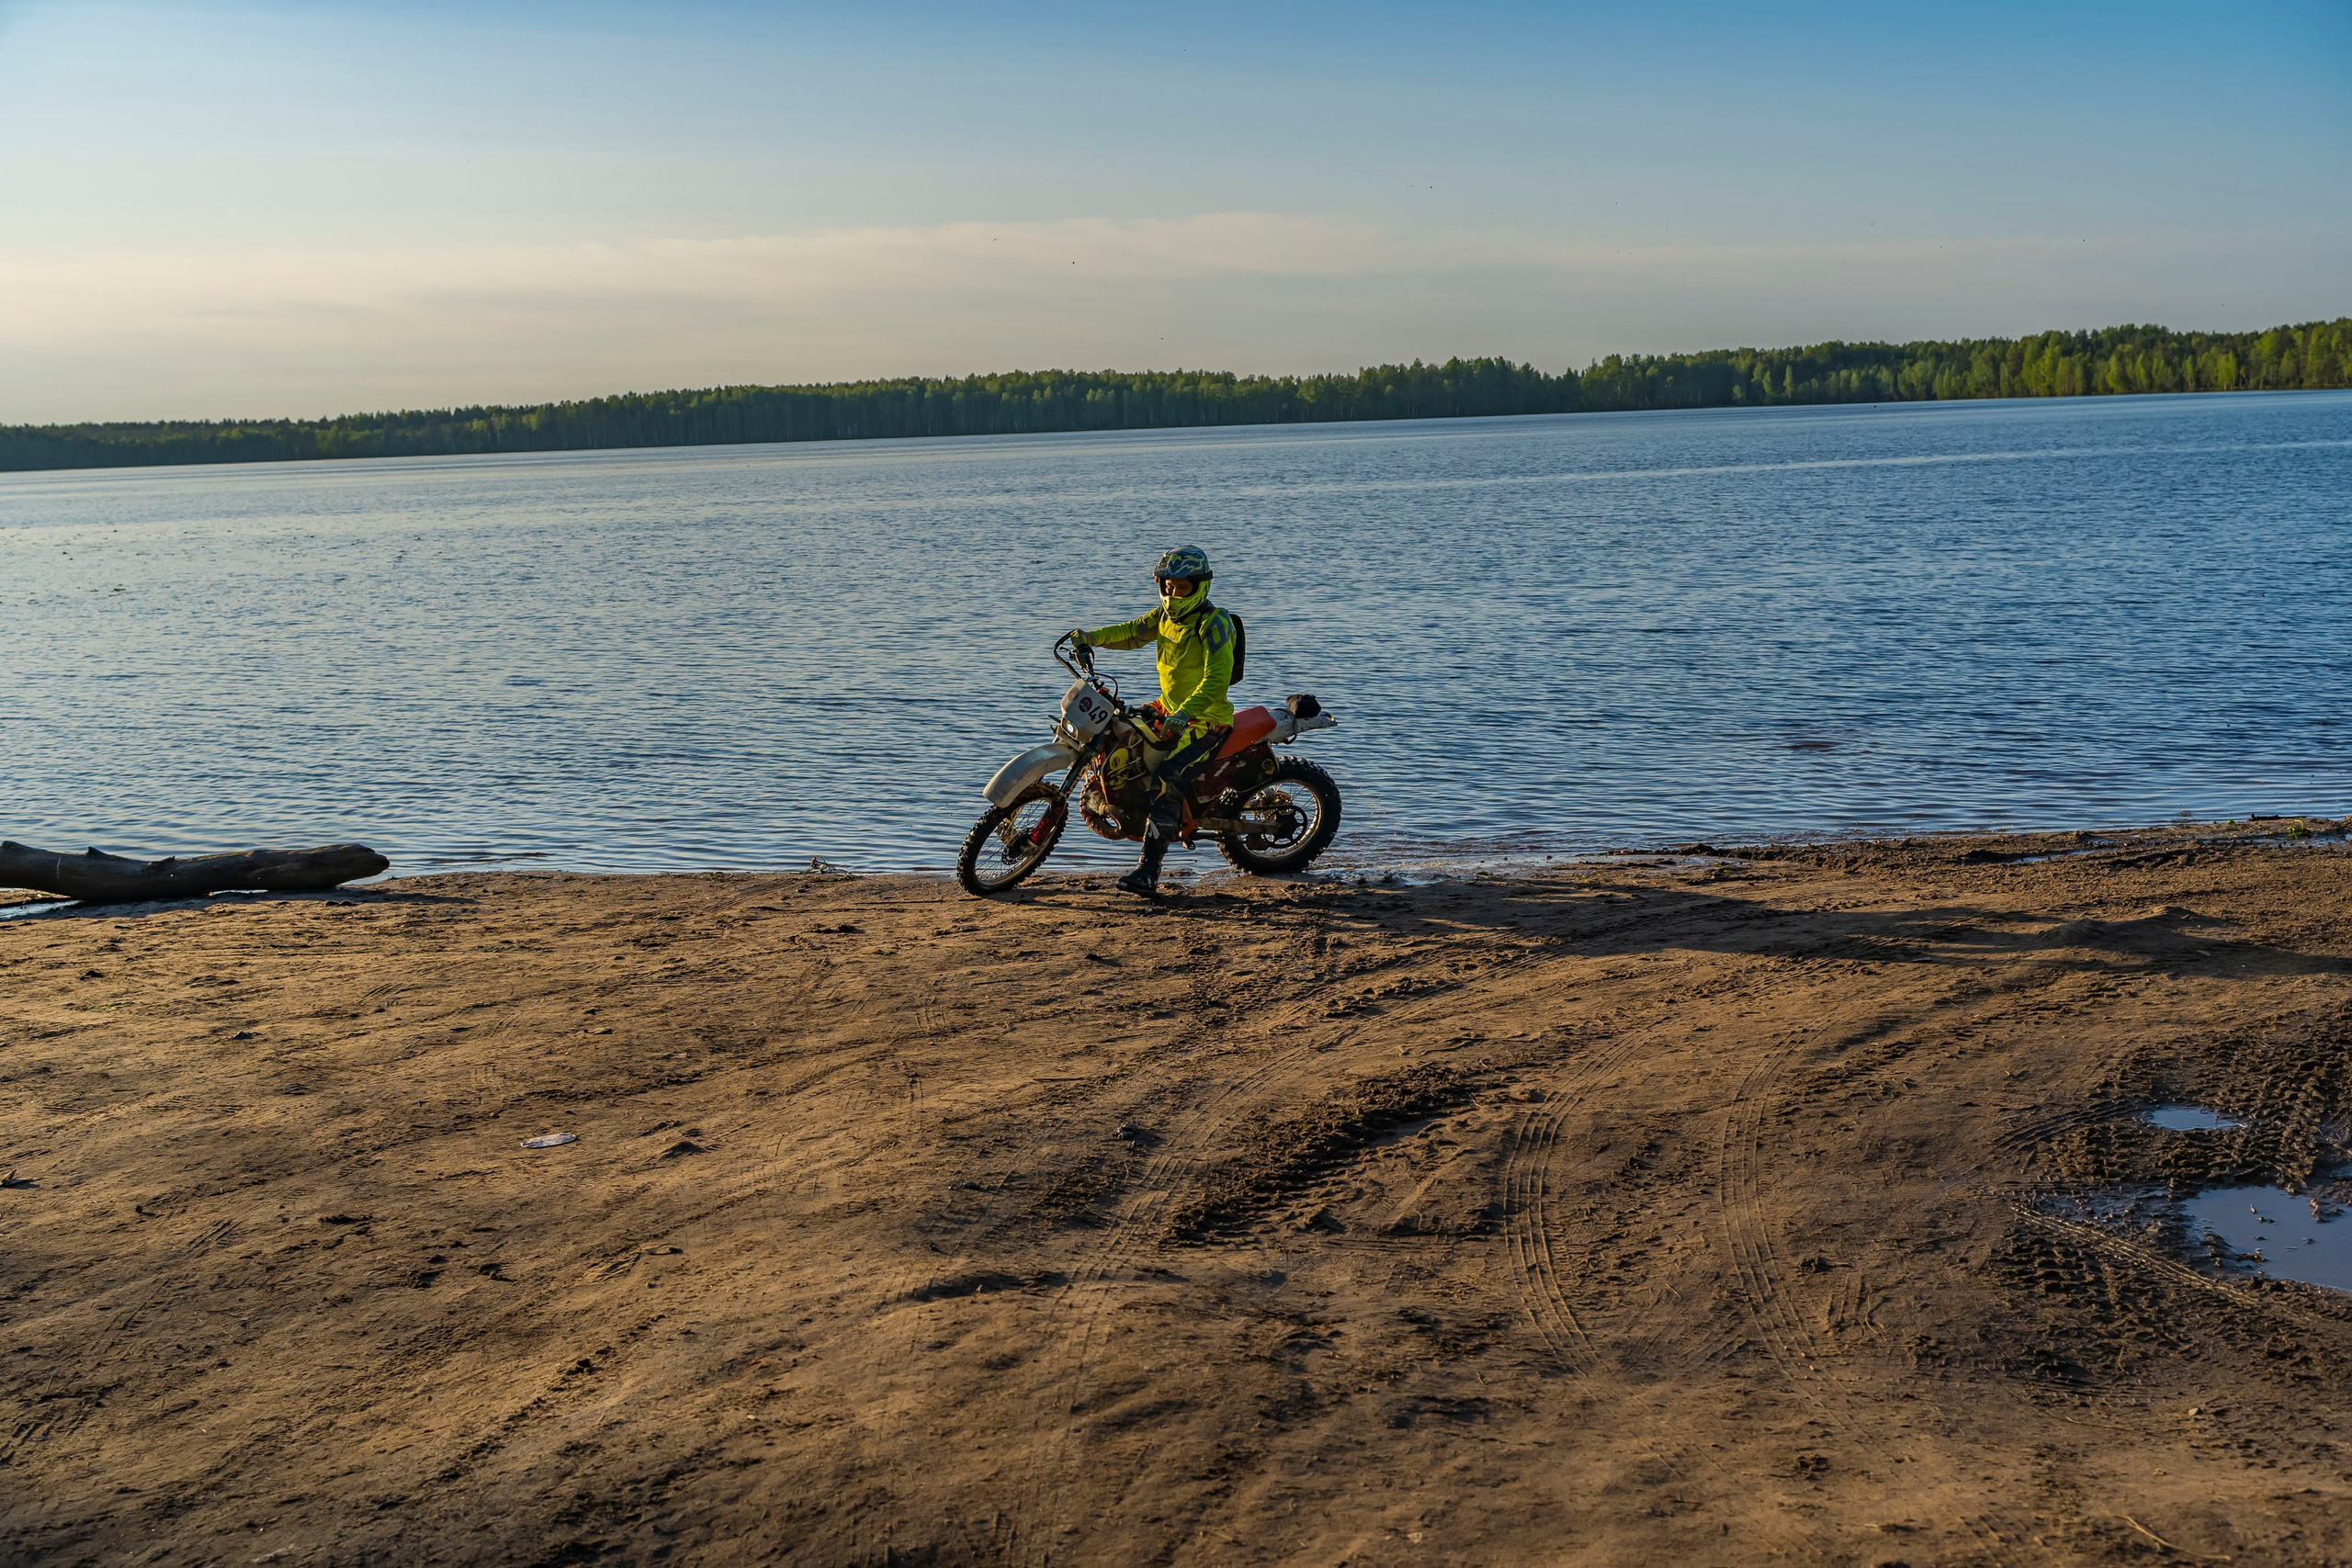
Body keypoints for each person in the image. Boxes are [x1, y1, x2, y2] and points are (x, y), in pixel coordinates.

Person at [1070, 546, 1238, 897]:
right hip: (1169, 708)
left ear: (1200, 585)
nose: (1173, 593)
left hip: (1205, 720)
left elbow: (1216, 680)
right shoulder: (1165, 618)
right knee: (1117, 734)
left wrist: (1185, 713)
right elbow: (1131, 632)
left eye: (1182, 586)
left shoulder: (1214, 622)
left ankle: (1149, 870)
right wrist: (1090, 638)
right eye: (1168, 586)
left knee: (1167, 777)